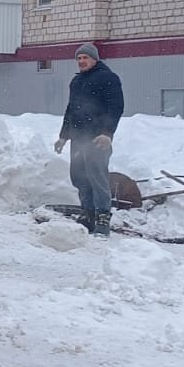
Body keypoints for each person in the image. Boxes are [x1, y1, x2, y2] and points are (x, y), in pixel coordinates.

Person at [55, 43, 125, 237]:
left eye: (85, 58)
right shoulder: (76, 82)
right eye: (79, 58)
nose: (81, 61)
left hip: (97, 139)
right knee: (79, 177)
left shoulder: (108, 78)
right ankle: (88, 214)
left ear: (95, 59)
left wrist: (107, 133)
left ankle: (103, 218)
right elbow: (71, 109)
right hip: (78, 138)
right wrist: (63, 136)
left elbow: (116, 107)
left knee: (97, 177)